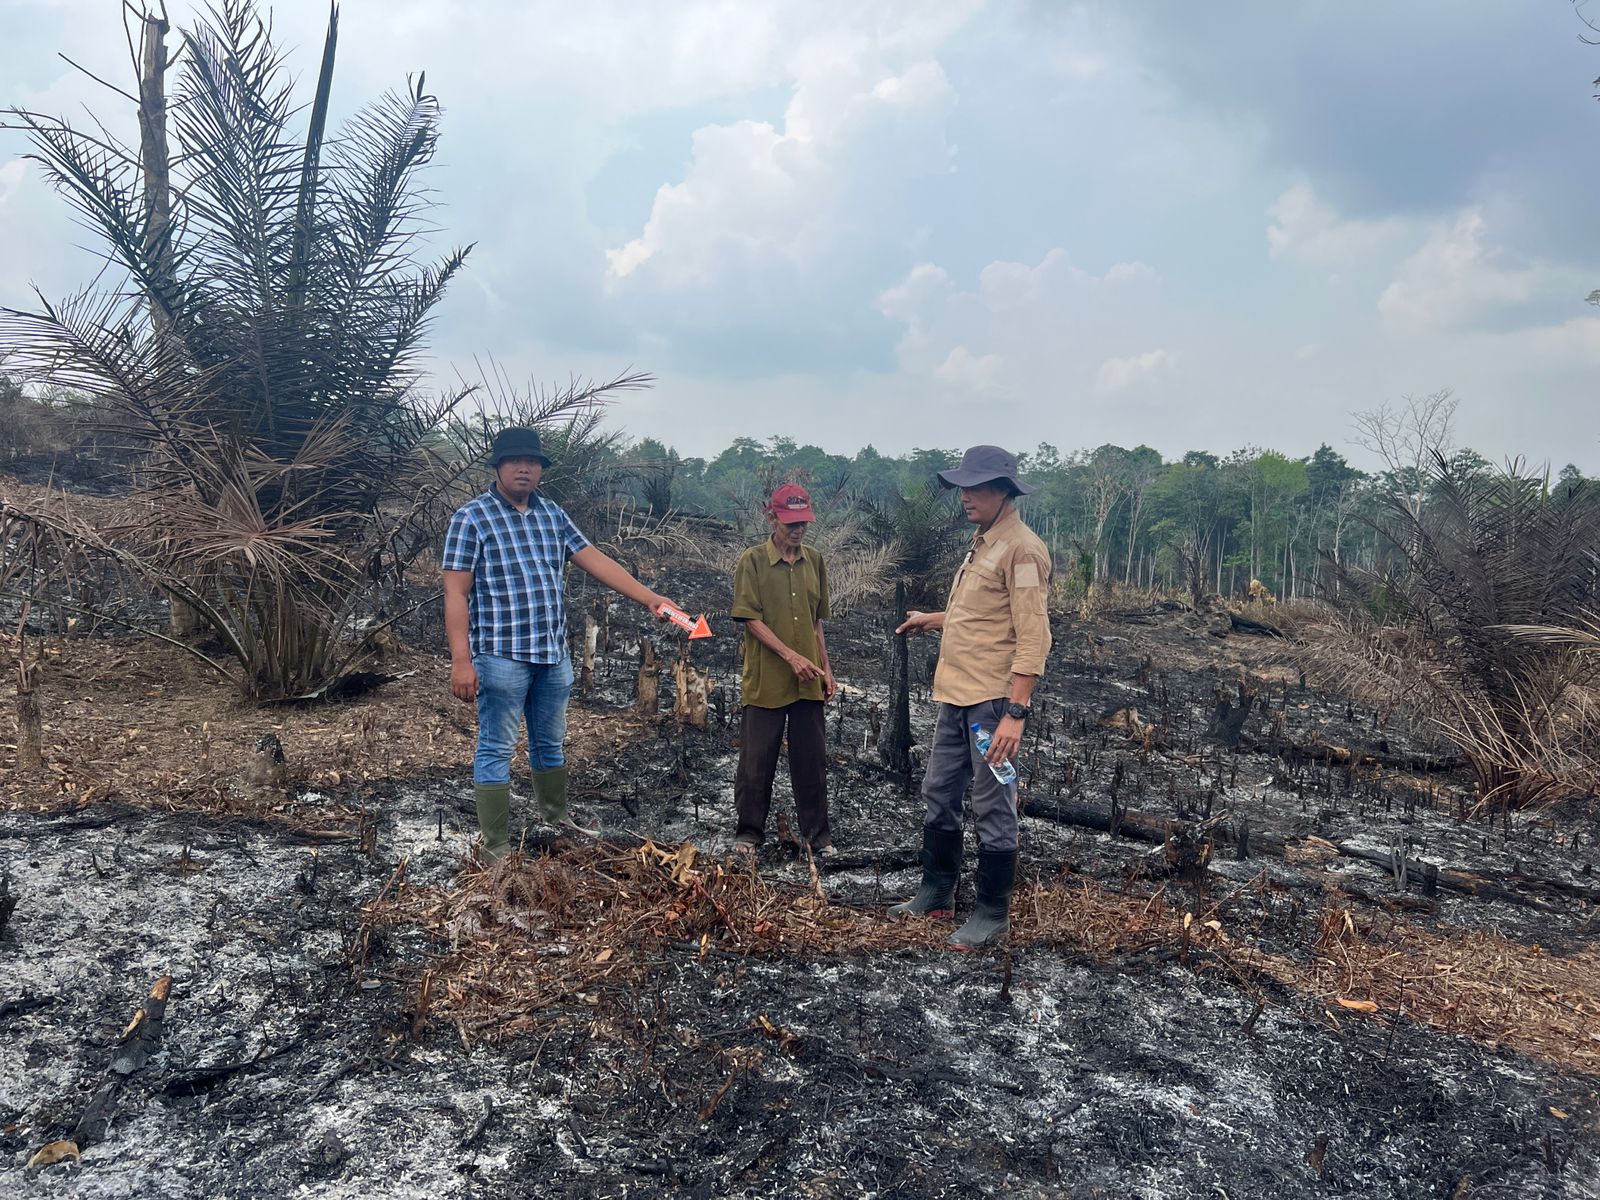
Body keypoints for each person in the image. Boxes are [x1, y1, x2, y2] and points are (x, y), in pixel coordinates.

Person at [442, 426, 678, 860]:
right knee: (496, 746)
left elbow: (596, 561)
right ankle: (495, 846)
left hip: (551, 654)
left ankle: (555, 820)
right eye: (515, 462)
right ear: (498, 467)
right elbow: (456, 592)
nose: (524, 469)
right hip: (500, 656)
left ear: (540, 471)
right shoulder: (470, 518)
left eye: (532, 463)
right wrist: (461, 660)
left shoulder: (552, 515)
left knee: (549, 743)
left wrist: (650, 598)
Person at [890, 445, 1052, 949]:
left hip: (992, 704)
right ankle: (938, 892)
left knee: (992, 801)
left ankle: (991, 911)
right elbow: (983, 614)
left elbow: (1033, 634)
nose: (966, 497)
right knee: (939, 790)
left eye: (977, 487)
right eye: (963, 487)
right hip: (956, 696)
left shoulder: (1022, 549)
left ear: (1003, 490)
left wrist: (1015, 713)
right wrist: (934, 619)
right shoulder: (984, 542)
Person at [729, 483, 837, 857]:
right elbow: (749, 619)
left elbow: (816, 620)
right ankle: (748, 834)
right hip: (767, 679)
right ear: (771, 517)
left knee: (811, 761)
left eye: (803, 522)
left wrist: (826, 666)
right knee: (756, 762)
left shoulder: (815, 561)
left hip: (810, 680)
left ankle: (818, 837)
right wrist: (790, 656)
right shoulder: (753, 561)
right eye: (790, 522)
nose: (797, 529)